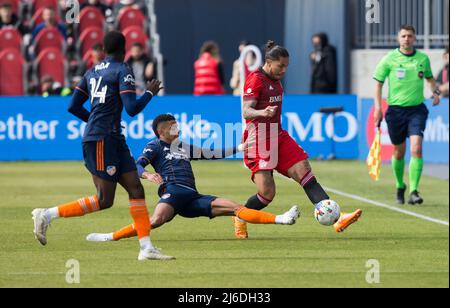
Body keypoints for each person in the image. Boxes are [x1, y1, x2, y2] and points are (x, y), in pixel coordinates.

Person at [31, 31, 173, 261]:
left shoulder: (91, 71)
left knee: (136, 189)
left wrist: (96, 121)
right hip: (102, 140)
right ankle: (46, 214)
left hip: (111, 138)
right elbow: (132, 109)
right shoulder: (122, 69)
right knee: (104, 200)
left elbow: (73, 106)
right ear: (123, 49)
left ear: (104, 50)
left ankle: (146, 248)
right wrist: (149, 93)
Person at [85, 114, 300, 243]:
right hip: (173, 192)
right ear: (162, 130)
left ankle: (282, 218)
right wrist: (148, 174)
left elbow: (211, 153)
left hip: (192, 196)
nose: (177, 127)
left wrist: (239, 147)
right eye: (173, 125)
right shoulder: (155, 145)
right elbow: (138, 164)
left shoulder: (183, 146)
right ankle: (110, 236)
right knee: (155, 221)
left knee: (235, 207)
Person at [236, 40, 362, 239]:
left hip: (278, 136)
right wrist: (262, 112)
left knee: (303, 169)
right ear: (269, 62)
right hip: (257, 141)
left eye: (286, 66)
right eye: (281, 66)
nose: (284, 70)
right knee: (267, 193)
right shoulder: (255, 80)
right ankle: (240, 217)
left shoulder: (276, 80)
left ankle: (338, 219)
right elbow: (246, 110)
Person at [373, 25, 441, 205]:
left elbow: (429, 78)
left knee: (416, 148)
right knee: (398, 151)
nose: (406, 39)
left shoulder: (422, 59)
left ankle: (414, 191)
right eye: (403, 36)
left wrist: (435, 92)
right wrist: (378, 108)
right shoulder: (389, 59)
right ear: (398, 38)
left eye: (410, 36)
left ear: (414, 38)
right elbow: (378, 83)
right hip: (395, 111)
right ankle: (399, 185)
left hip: (416, 110)